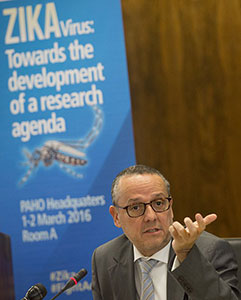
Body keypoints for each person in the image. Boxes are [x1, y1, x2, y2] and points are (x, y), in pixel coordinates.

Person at [91, 164, 240, 300]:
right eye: (135, 207)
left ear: (171, 207)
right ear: (116, 216)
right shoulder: (105, 258)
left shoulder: (210, 251)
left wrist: (186, 256)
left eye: (158, 203)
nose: (151, 216)